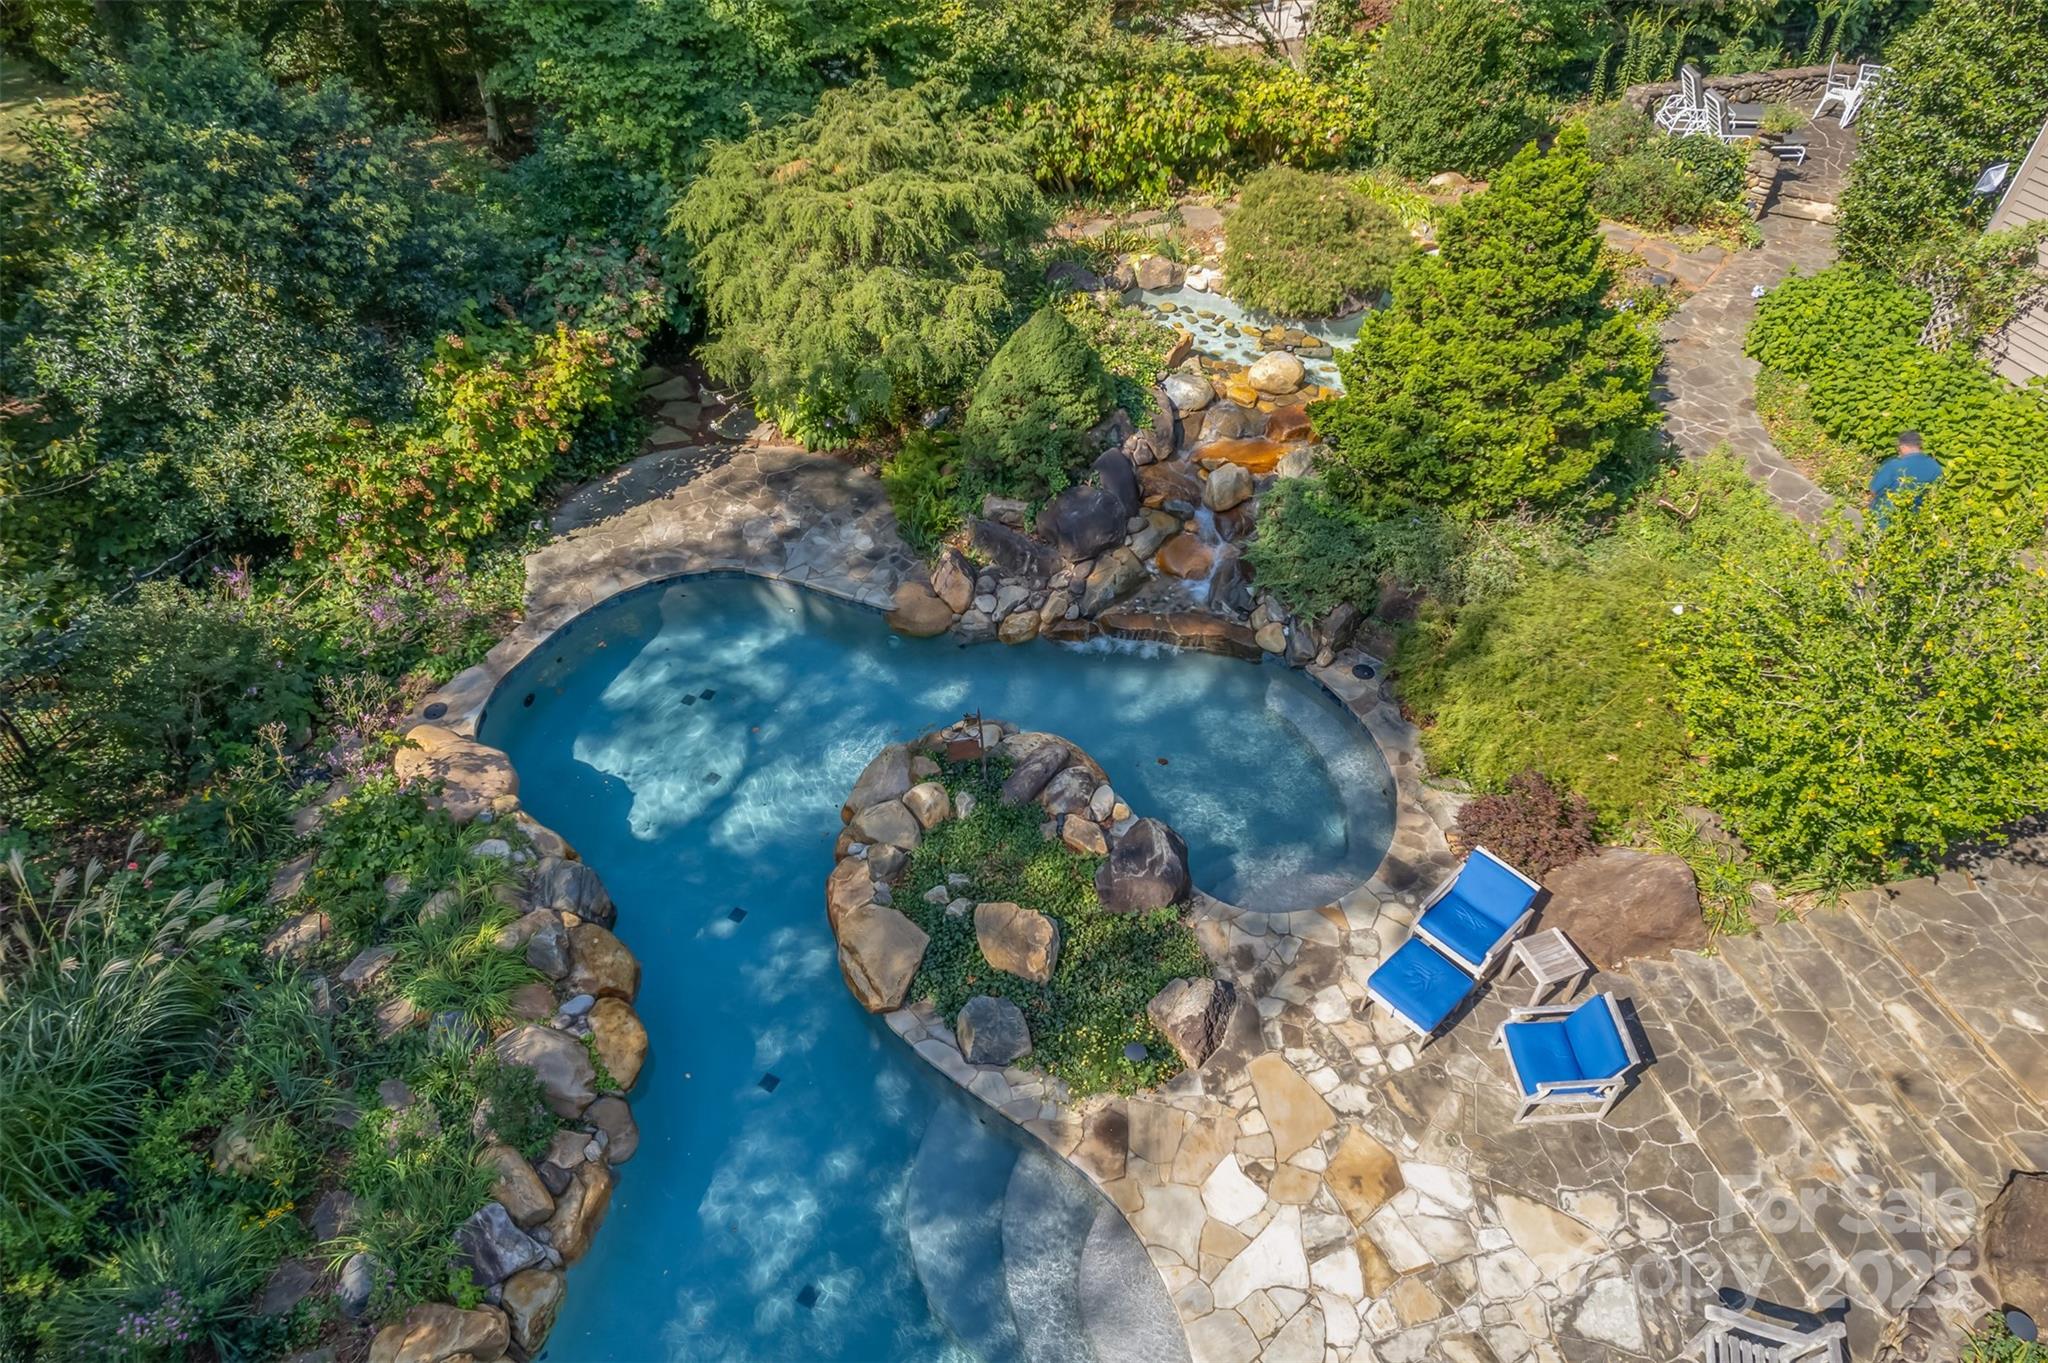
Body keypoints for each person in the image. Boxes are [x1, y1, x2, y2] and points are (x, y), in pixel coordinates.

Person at [1868, 431, 1942, 523]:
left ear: (1902, 447)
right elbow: (1936, 493)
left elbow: (1873, 490)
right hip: (1916, 520)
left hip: (1886, 518)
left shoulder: (1894, 464)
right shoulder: (1935, 466)